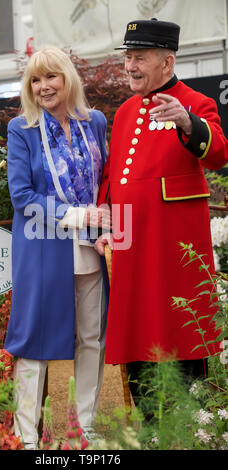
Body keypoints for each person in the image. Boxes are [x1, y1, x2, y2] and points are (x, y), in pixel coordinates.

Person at [95, 19, 228, 405]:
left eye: (140, 58)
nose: (130, 66)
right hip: (132, 247)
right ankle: (149, 423)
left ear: (167, 63)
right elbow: (112, 174)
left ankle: (187, 423)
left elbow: (219, 152)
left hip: (175, 250)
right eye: (128, 58)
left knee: (181, 329)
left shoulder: (196, 103)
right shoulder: (123, 114)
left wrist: (187, 121)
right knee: (138, 330)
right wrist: (105, 216)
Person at [4, 46, 110, 449]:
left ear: (68, 79)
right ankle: (26, 438)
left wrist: (105, 223)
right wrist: (82, 215)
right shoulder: (22, 129)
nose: (43, 86)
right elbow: (23, 197)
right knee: (34, 342)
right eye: (35, 79)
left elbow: (106, 182)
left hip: (91, 249)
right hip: (42, 249)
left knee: (91, 339)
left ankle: (84, 430)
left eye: (51, 77)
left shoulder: (95, 122)